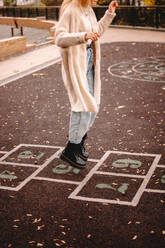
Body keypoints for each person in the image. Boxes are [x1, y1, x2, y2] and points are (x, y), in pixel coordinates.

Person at [55, 0, 118, 169]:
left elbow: (96, 32)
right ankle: (72, 148)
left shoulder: (88, 9)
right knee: (82, 105)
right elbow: (59, 38)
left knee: (92, 104)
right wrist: (82, 36)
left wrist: (109, 14)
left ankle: (78, 142)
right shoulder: (71, 10)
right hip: (77, 62)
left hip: (90, 59)